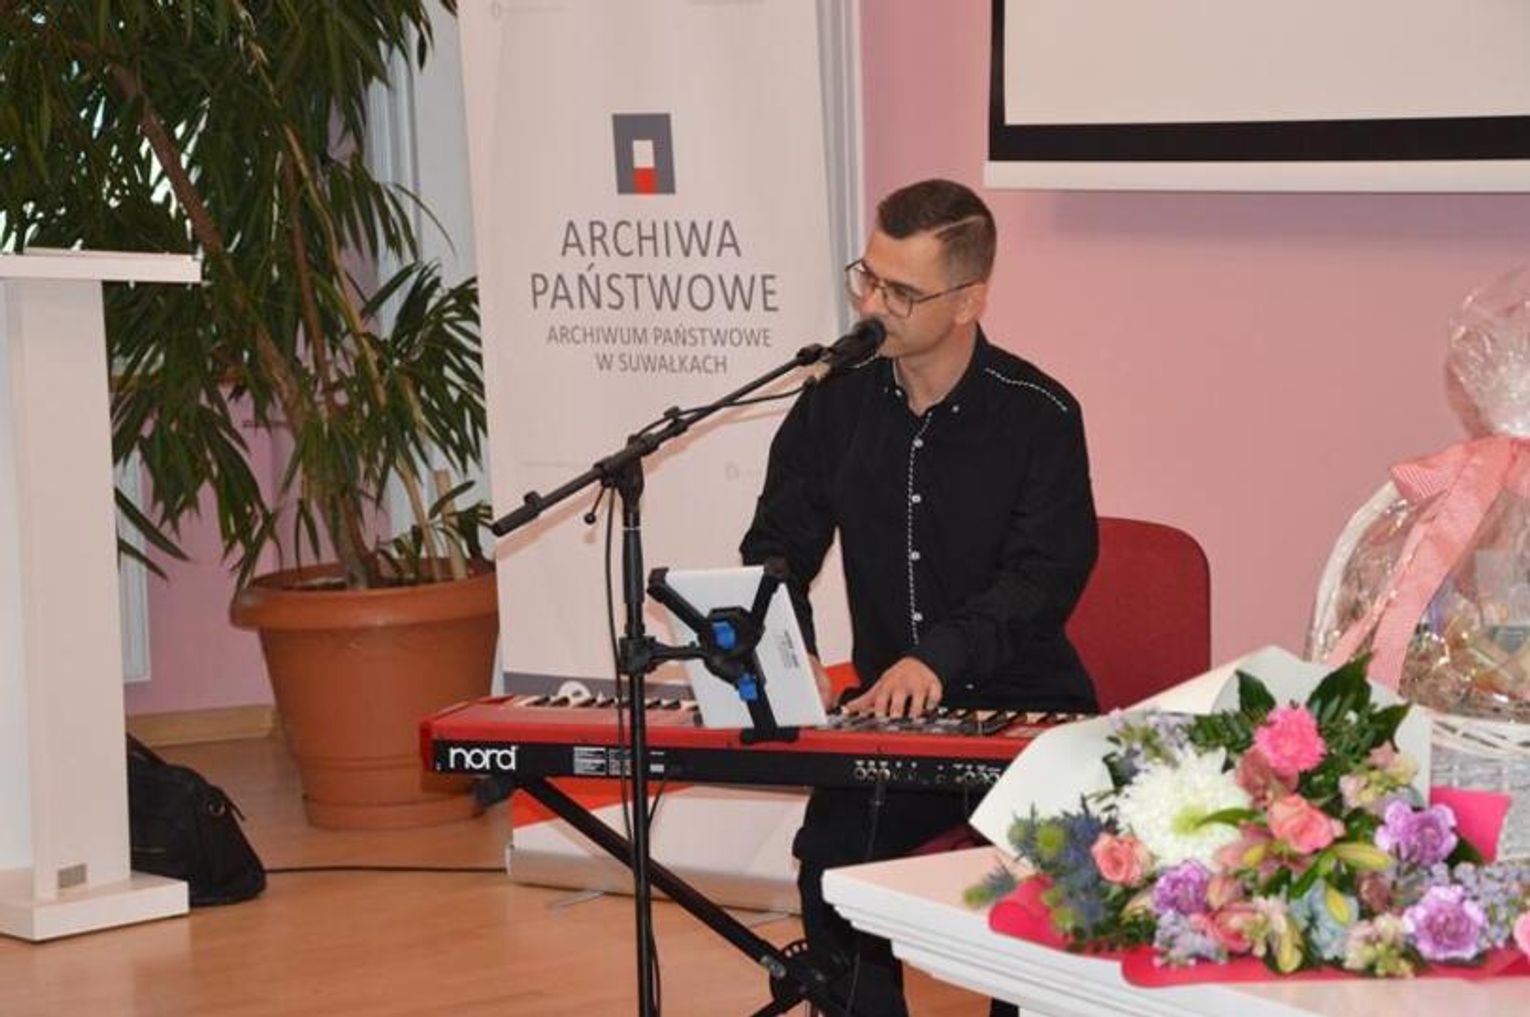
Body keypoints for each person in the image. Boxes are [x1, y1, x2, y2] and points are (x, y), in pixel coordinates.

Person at [740, 178, 1099, 1017]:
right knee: (832, 858)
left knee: (1055, 879)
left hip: (1027, 715)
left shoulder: (1039, 415)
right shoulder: (834, 400)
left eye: (901, 291)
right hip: (889, 722)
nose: (873, 304)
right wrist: (786, 654)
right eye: (867, 278)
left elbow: (1042, 579)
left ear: (968, 299)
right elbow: (777, 547)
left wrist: (935, 659)